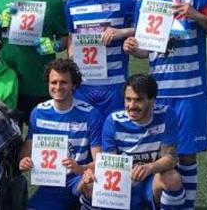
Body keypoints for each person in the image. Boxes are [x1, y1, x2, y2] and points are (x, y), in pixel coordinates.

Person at [123, 0, 207, 210]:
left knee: (186, 155)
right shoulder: (143, 2)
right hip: (157, 93)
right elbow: (146, 50)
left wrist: (196, 15)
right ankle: (168, 201)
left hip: (190, 91)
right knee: (161, 155)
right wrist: (133, 48)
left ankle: (187, 206)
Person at [78, 74, 186, 210]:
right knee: (90, 185)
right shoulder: (113, 121)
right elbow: (108, 164)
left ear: (152, 100)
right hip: (123, 184)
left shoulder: (166, 115)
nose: (131, 106)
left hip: (150, 183)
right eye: (128, 99)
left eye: (138, 100)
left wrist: (148, 168)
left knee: (172, 178)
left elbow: (170, 158)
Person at [18, 59, 102, 210]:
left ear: (74, 85)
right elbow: (27, 149)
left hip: (80, 180)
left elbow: (100, 161)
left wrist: (80, 169)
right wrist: (24, 161)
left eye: (63, 82)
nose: (58, 87)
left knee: (91, 189)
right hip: (52, 185)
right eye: (53, 82)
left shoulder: (91, 114)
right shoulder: (39, 112)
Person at [65, 0, 136, 119]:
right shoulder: (71, 4)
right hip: (83, 85)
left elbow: (143, 30)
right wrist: (71, 52)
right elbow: (71, 38)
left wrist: (121, 32)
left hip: (114, 85)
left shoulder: (124, 0)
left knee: (112, 139)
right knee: (84, 140)